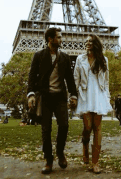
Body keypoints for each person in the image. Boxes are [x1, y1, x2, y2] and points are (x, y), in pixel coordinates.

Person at [27, 27, 78, 174]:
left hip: (60, 97)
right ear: (50, 39)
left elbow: (69, 79)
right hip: (45, 97)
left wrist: (73, 95)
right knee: (46, 130)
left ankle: (60, 152)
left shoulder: (65, 57)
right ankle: (48, 160)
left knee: (64, 125)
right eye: (59, 37)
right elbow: (31, 77)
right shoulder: (38, 56)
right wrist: (31, 94)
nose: (62, 39)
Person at [74, 34, 112, 174]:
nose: (87, 43)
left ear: (95, 43)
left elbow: (106, 81)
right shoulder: (80, 59)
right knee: (88, 127)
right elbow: (75, 78)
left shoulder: (104, 60)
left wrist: (107, 97)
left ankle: (95, 162)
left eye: (90, 41)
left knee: (97, 128)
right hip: (85, 94)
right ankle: (85, 144)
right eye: (86, 41)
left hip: (99, 94)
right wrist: (72, 97)